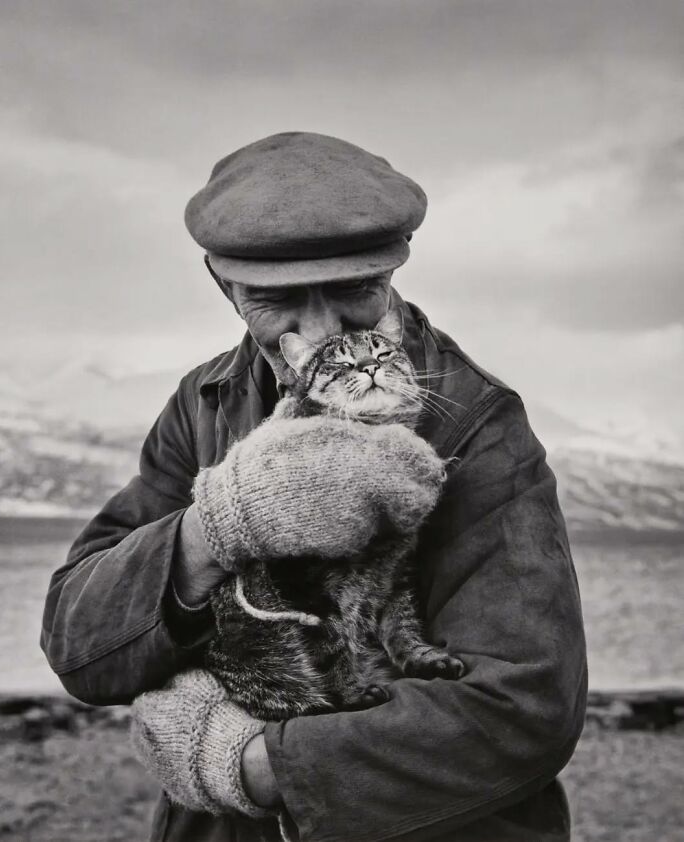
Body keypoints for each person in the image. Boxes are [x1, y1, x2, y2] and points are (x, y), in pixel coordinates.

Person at [40, 132, 587, 842]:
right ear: (225, 286)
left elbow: (526, 711)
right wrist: (216, 526)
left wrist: (247, 765)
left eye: (355, 289)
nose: (324, 330)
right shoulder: (203, 399)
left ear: (393, 268)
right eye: (277, 299)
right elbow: (79, 645)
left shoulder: (477, 419)